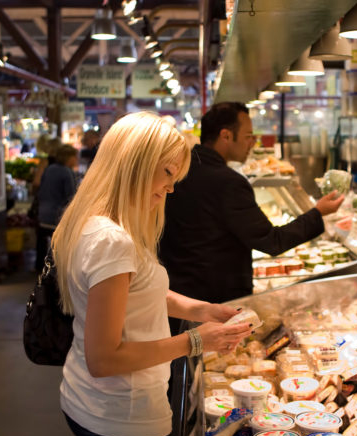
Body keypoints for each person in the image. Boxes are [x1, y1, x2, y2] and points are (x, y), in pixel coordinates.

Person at [51, 112, 251, 436]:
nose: (171, 188)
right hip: (121, 416)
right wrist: (195, 341)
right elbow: (103, 359)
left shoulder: (94, 222)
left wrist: (201, 310)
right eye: (169, 172)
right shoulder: (112, 240)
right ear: (134, 163)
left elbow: (134, 292)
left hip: (90, 401)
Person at [159, 102, 344, 311]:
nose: (252, 143)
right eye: (248, 136)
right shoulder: (228, 182)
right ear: (226, 136)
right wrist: (319, 212)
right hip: (216, 301)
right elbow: (273, 241)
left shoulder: (182, 170)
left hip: (179, 294)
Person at [35, 144, 78, 271]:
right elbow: (71, 196)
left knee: (42, 244)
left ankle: (40, 268)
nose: (76, 159)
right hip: (57, 216)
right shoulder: (67, 172)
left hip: (43, 214)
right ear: (69, 157)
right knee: (58, 247)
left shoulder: (49, 169)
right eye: (74, 157)